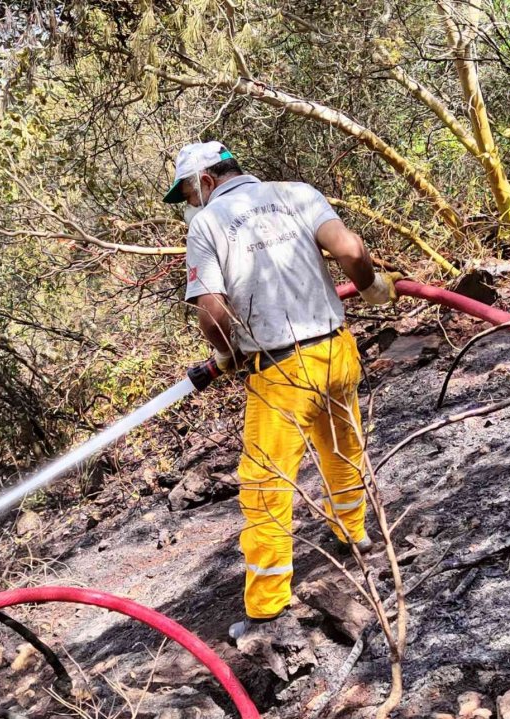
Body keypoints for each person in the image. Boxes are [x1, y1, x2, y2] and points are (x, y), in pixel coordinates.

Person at [164, 141, 400, 639]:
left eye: (187, 192)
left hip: (281, 368)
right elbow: (351, 250)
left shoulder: (206, 225)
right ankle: (353, 534)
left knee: (265, 485)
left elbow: (212, 312)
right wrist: (372, 284)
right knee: (342, 448)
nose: (189, 203)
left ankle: (267, 609)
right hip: (337, 351)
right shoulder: (296, 193)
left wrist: (226, 354)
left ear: (205, 180)